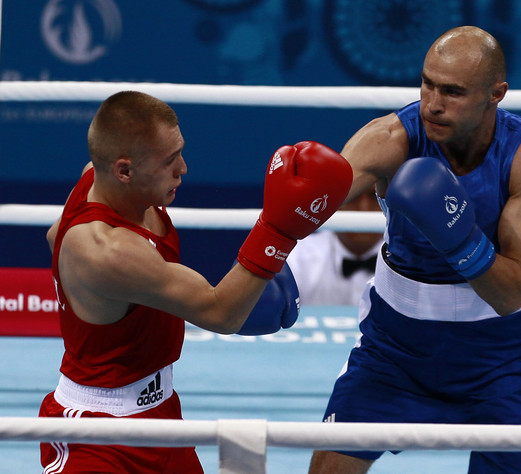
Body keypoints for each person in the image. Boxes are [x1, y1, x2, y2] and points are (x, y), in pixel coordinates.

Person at [38, 90, 352, 473]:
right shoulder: (108, 250)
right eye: (170, 161)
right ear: (124, 171)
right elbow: (221, 313)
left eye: (180, 152)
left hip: (160, 410)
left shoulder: (99, 178)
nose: (183, 168)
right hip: (96, 433)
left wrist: (100, 297)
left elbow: (56, 234)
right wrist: (278, 230)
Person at [309, 26, 521, 474]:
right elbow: (313, 201)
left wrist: (460, 239)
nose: (432, 104)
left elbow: (510, 294)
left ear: (495, 94)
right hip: (395, 351)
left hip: (498, 359)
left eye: (453, 91)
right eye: (426, 83)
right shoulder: (391, 139)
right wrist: (266, 254)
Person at [286, 187, 384, 305]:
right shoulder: (294, 257)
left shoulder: (410, 259)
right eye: (353, 196)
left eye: (375, 197)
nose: (363, 209)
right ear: (333, 201)